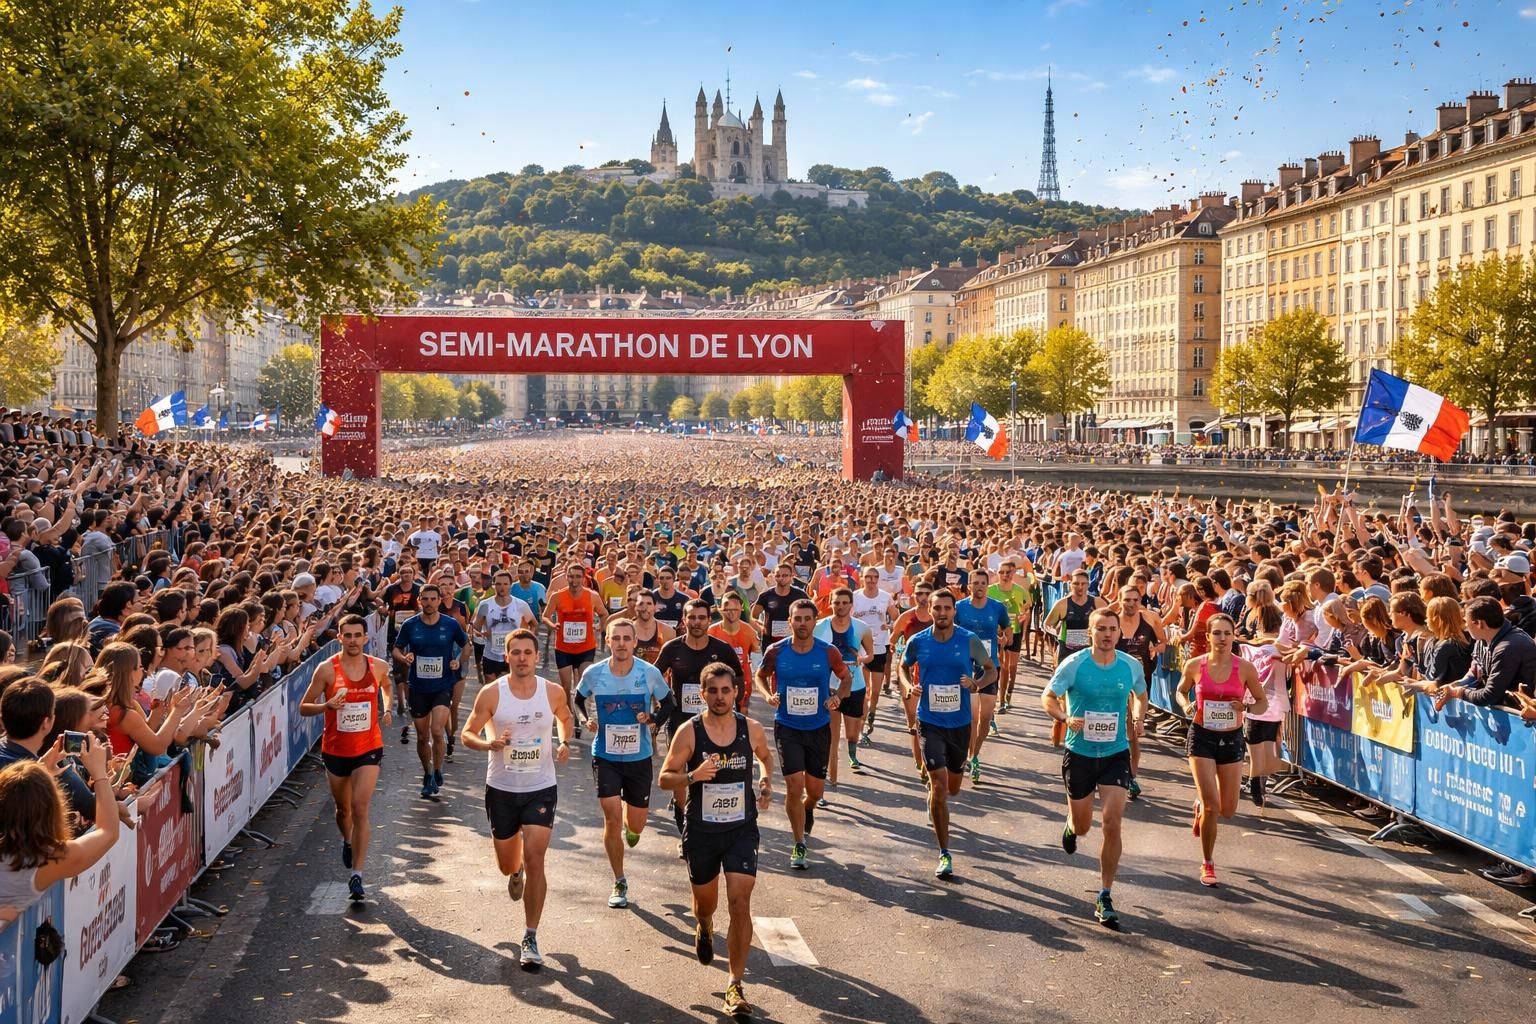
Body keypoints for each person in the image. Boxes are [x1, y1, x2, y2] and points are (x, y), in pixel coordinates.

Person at [658, 662, 773, 1019]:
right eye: (713, 691)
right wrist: (693, 775)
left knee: (740, 904)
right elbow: (665, 778)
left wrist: (766, 781)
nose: (720, 697)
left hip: (741, 829)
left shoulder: (750, 729)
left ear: (735, 692)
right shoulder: (689, 732)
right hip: (703, 832)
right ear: (702, 693)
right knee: (705, 904)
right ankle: (705, 925)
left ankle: (735, 985)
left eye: (726, 690)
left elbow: (767, 758)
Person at [459, 628, 573, 970]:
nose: (522, 658)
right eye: (516, 652)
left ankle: (531, 934)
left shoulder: (551, 691)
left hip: (540, 786)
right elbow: (467, 733)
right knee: (508, 863)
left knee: (538, 857)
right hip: (502, 788)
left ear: (537, 657)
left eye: (528, 652)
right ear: (506, 656)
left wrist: (564, 741)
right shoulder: (492, 694)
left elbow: (565, 718)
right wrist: (487, 744)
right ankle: (515, 868)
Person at [1042, 607, 1148, 926]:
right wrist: (1063, 717)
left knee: (1113, 821)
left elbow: (1141, 694)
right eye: (1100, 628)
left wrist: (1139, 715)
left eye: (1112, 629)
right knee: (1085, 825)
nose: (1106, 634)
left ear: (1119, 632)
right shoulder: (1074, 664)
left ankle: (1104, 893)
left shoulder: (1130, 666)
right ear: (1090, 632)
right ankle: (1072, 824)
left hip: (1116, 752)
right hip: (1081, 753)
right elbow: (1048, 696)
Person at [576, 618, 673, 909]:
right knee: (611, 816)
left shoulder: (649, 672)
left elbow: (668, 702)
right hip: (605, 755)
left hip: (639, 757)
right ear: (607, 641)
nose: (620, 643)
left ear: (634, 642)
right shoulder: (594, 673)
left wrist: (653, 720)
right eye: (614, 638)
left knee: (637, 823)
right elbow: (578, 700)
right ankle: (619, 879)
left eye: (625, 638)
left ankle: (634, 829)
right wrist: (585, 720)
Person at [899, 589, 996, 879]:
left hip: (960, 723)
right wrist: (908, 686)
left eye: (947, 608)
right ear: (930, 610)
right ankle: (944, 853)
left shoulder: (968, 640)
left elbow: (990, 670)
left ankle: (936, 795)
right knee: (940, 787)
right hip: (929, 721)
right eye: (937, 608)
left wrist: (976, 684)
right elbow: (903, 667)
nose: (942, 613)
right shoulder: (919, 641)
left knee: (953, 787)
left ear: (955, 611)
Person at [300, 614, 393, 903]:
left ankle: (358, 874)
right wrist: (326, 705)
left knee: (360, 806)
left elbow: (387, 687)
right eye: (347, 635)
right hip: (336, 749)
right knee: (343, 811)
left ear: (366, 638)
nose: (353, 640)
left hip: (368, 747)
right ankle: (347, 839)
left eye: (357, 635)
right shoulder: (327, 670)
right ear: (339, 637)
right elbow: (304, 707)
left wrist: (387, 708)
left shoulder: (377, 666)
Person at [755, 598, 850, 871]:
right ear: (790, 620)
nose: (802, 624)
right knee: (794, 786)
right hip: (788, 726)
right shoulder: (776, 651)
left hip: (819, 727)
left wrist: (838, 699)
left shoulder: (827, 652)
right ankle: (799, 843)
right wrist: (767, 694)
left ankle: (808, 808)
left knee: (815, 792)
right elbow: (761, 676)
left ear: (814, 621)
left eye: (808, 619)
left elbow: (846, 678)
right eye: (798, 619)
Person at [1175, 612, 1268, 887]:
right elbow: (1181, 691)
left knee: (1227, 809)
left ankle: (1202, 806)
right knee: (1213, 806)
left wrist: (1248, 708)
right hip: (1202, 737)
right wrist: (1186, 705)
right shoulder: (1195, 665)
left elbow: (1262, 703)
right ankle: (1207, 862)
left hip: (1231, 739)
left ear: (1233, 636)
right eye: (1217, 633)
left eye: (1227, 633)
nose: (1223, 638)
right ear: (1208, 637)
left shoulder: (1245, 669)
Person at [0, 740, 120, 919]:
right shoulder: (48, 859)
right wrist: (99, 774)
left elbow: (15, 796)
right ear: (53, 807)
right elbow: (109, 832)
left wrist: (39, 768)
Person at [655, 600, 743, 844]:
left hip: (715, 723)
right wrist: (662, 705)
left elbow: (739, 678)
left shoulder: (722, 649)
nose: (696, 622)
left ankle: (714, 823)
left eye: (701, 617)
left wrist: (738, 706)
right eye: (691, 617)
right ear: (684, 620)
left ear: (708, 620)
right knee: (679, 775)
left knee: (712, 774)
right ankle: (685, 829)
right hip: (681, 722)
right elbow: (655, 676)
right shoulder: (673, 648)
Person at [393, 584, 469, 800]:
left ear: (438, 600)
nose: (428, 603)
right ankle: (427, 773)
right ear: (419, 601)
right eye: (424, 599)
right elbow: (397, 649)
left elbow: (466, 645)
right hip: (418, 687)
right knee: (422, 736)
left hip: (443, 685)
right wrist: (403, 658)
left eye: (432, 599)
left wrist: (457, 661)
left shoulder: (450, 624)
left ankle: (437, 769)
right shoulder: (410, 625)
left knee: (437, 731)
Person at [952, 569, 1011, 784]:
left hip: (989, 668)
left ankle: (975, 753)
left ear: (988, 585)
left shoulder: (997, 607)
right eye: (975, 583)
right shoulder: (959, 608)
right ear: (969, 585)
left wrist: (1005, 639)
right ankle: (971, 758)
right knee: (972, 717)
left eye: (982, 583)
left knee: (985, 718)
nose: (978, 586)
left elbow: (1007, 629)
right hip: (966, 667)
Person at [812, 587, 873, 787]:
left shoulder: (862, 627)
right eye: (836, 602)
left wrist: (862, 659)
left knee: (852, 733)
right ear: (831, 603)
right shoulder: (820, 627)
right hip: (830, 688)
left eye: (844, 603)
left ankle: (853, 751)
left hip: (855, 687)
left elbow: (871, 655)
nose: (840, 606)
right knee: (832, 737)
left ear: (851, 605)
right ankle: (832, 780)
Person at [1113, 585, 1166, 800]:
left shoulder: (1150, 621)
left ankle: (1131, 776)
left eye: (1135, 599)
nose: (1131, 604)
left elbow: (1163, 642)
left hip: (1139, 681)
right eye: (1127, 599)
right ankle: (1113, 772)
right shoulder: (1112, 623)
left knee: (1134, 732)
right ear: (1120, 600)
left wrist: (1155, 649)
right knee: (1118, 730)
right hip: (1114, 683)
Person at [545, 564, 608, 720]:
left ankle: (582, 712)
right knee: (566, 685)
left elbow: (604, 614)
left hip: (585, 647)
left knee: (583, 682)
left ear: (584, 578)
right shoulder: (557, 596)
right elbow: (545, 616)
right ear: (566, 577)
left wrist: (599, 627)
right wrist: (553, 625)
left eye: (578, 576)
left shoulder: (592, 596)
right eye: (571, 576)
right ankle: (569, 714)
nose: (574, 580)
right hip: (563, 647)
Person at [850, 566, 895, 742]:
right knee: (865, 690)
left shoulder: (885, 597)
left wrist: (889, 626)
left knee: (875, 691)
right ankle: (861, 726)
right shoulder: (855, 597)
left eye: (874, 577)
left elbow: (895, 617)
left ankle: (872, 714)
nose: (871, 580)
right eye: (868, 577)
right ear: (862, 578)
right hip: (861, 647)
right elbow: (848, 619)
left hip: (879, 647)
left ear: (878, 579)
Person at [380, 561, 422, 741]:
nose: (406, 575)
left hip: (415, 631)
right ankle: (401, 703)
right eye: (403, 572)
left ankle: (408, 699)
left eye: (409, 573)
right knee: (399, 666)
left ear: (414, 575)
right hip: (395, 632)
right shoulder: (392, 590)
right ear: (399, 574)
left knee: (410, 664)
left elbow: (423, 607)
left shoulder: (419, 589)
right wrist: (384, 611)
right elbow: (381, 604)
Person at [708, 593, 761, 713]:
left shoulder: (749, 631)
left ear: (741, 609)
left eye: (735, 609)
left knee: (741, 716)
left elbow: (756, 659)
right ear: (720, 609)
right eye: (727, 609)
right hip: (718, 680)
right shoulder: (712, 631)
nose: (731, 613)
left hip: (742, 680)